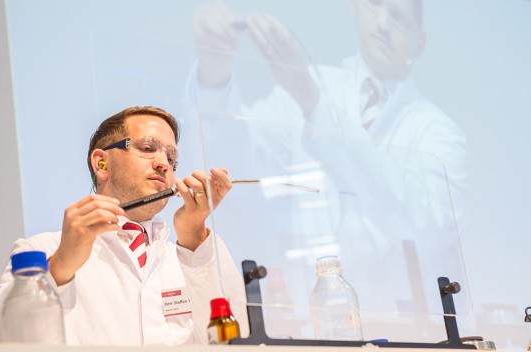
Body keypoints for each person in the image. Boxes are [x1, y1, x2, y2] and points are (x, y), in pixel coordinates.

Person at [186, 0, 469, 334]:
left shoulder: (439, 132)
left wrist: (309, 94)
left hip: (404, 330)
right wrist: (216, 74)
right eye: (376, 5)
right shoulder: (300, 91)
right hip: (307, 324)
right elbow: (233, 166)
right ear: (356, 8)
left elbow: (424, 224)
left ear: (419, 42)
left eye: (399, 17)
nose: (382, 22)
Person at [0, 106, 248, 345]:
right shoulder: (45, 251)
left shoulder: (191, 253)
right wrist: (60, 266)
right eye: (148, 148)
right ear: (101, 164)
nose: (164, 163)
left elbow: (237, 339)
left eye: (172, 158)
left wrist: (194, 236)